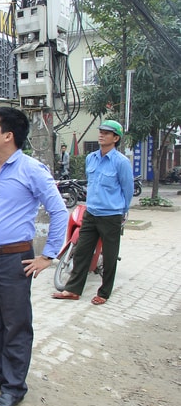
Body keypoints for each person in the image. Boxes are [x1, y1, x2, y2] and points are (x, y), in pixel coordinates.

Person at [0, 107, 68, 406]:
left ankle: (15, 386)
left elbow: (59, 211)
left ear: (8, 136)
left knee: (16, 325)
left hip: (15, 260)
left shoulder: (32, 170)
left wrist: (48, 256)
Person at [52, 120, 133, 305]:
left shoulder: (121, 162)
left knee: (111, 255)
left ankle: (104, 293)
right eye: (101, 131)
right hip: (91, 212)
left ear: (116, 138)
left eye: (107, 132)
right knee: (81, 252)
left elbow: (127, 190)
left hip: (111, 215)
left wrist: (123, 211)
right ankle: (73, 289)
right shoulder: (91, 158)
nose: (101, 135)